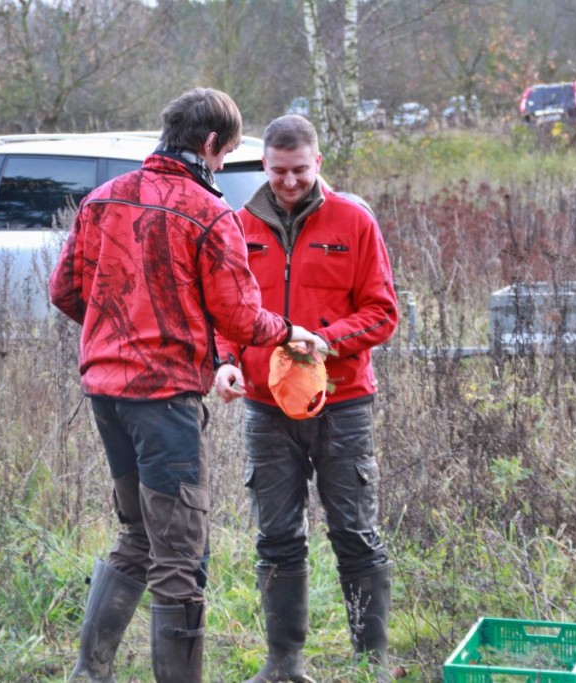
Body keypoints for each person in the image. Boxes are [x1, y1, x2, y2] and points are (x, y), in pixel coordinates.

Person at [49, 89, 327, 683]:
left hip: (105, 392)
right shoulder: (209, 212)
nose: (224, 164)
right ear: (208, 145)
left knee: (136, 535)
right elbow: (240, 318)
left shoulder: (102, 199)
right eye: (226, 153)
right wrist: (292, 331)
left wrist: (116, 336)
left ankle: (88, 675)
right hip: (163, 401)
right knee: (178, 557)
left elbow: (64, 290)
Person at [214, 114, 399, 682]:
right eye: (277, 171)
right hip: (266, 409)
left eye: (299, 170)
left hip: (342, 403)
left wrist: (328, 340)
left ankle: (371, 663)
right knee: (276, 535)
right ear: (262, 167)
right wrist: (224, 362)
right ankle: (282, 665)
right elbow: (228, 313)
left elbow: (383, 312)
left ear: (318, 163)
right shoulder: (239, 226)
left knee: (354, 533)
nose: (289, 181)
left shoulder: (354, 220)